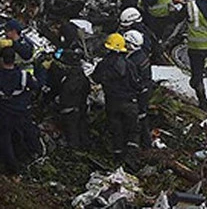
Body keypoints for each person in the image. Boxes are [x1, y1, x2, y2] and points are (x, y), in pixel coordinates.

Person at [91, 34, 140, 163]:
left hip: (112, 103)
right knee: (132, 132)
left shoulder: (103, 64)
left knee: (116, 132)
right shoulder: (129, 64)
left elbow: (95, 78)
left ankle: (118, 160)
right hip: (129, 102)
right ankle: (131, 160)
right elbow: (136, 83)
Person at [0, 46, 41, 175]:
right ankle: (33, 156)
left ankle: (13, 169)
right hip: (21, 112)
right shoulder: (23, 76)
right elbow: (36, 86)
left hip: (4, 114)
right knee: (24, 134)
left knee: (5, 141)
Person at [46, 46, 90, 149]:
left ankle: (74, 151)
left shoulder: (67, 77)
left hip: (69, 108)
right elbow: (87, 88)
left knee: (72, 132)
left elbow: (59, 91)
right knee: (82, 128)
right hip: (81, 106)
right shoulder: (81, 74)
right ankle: (85, 146)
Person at [123, 30, 152, 148]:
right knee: (142, 116)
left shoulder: (132, 61)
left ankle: (140, 143)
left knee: (138, 118)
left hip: (139, 93)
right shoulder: (141, 56)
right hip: (145, 90)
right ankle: (146, 143)